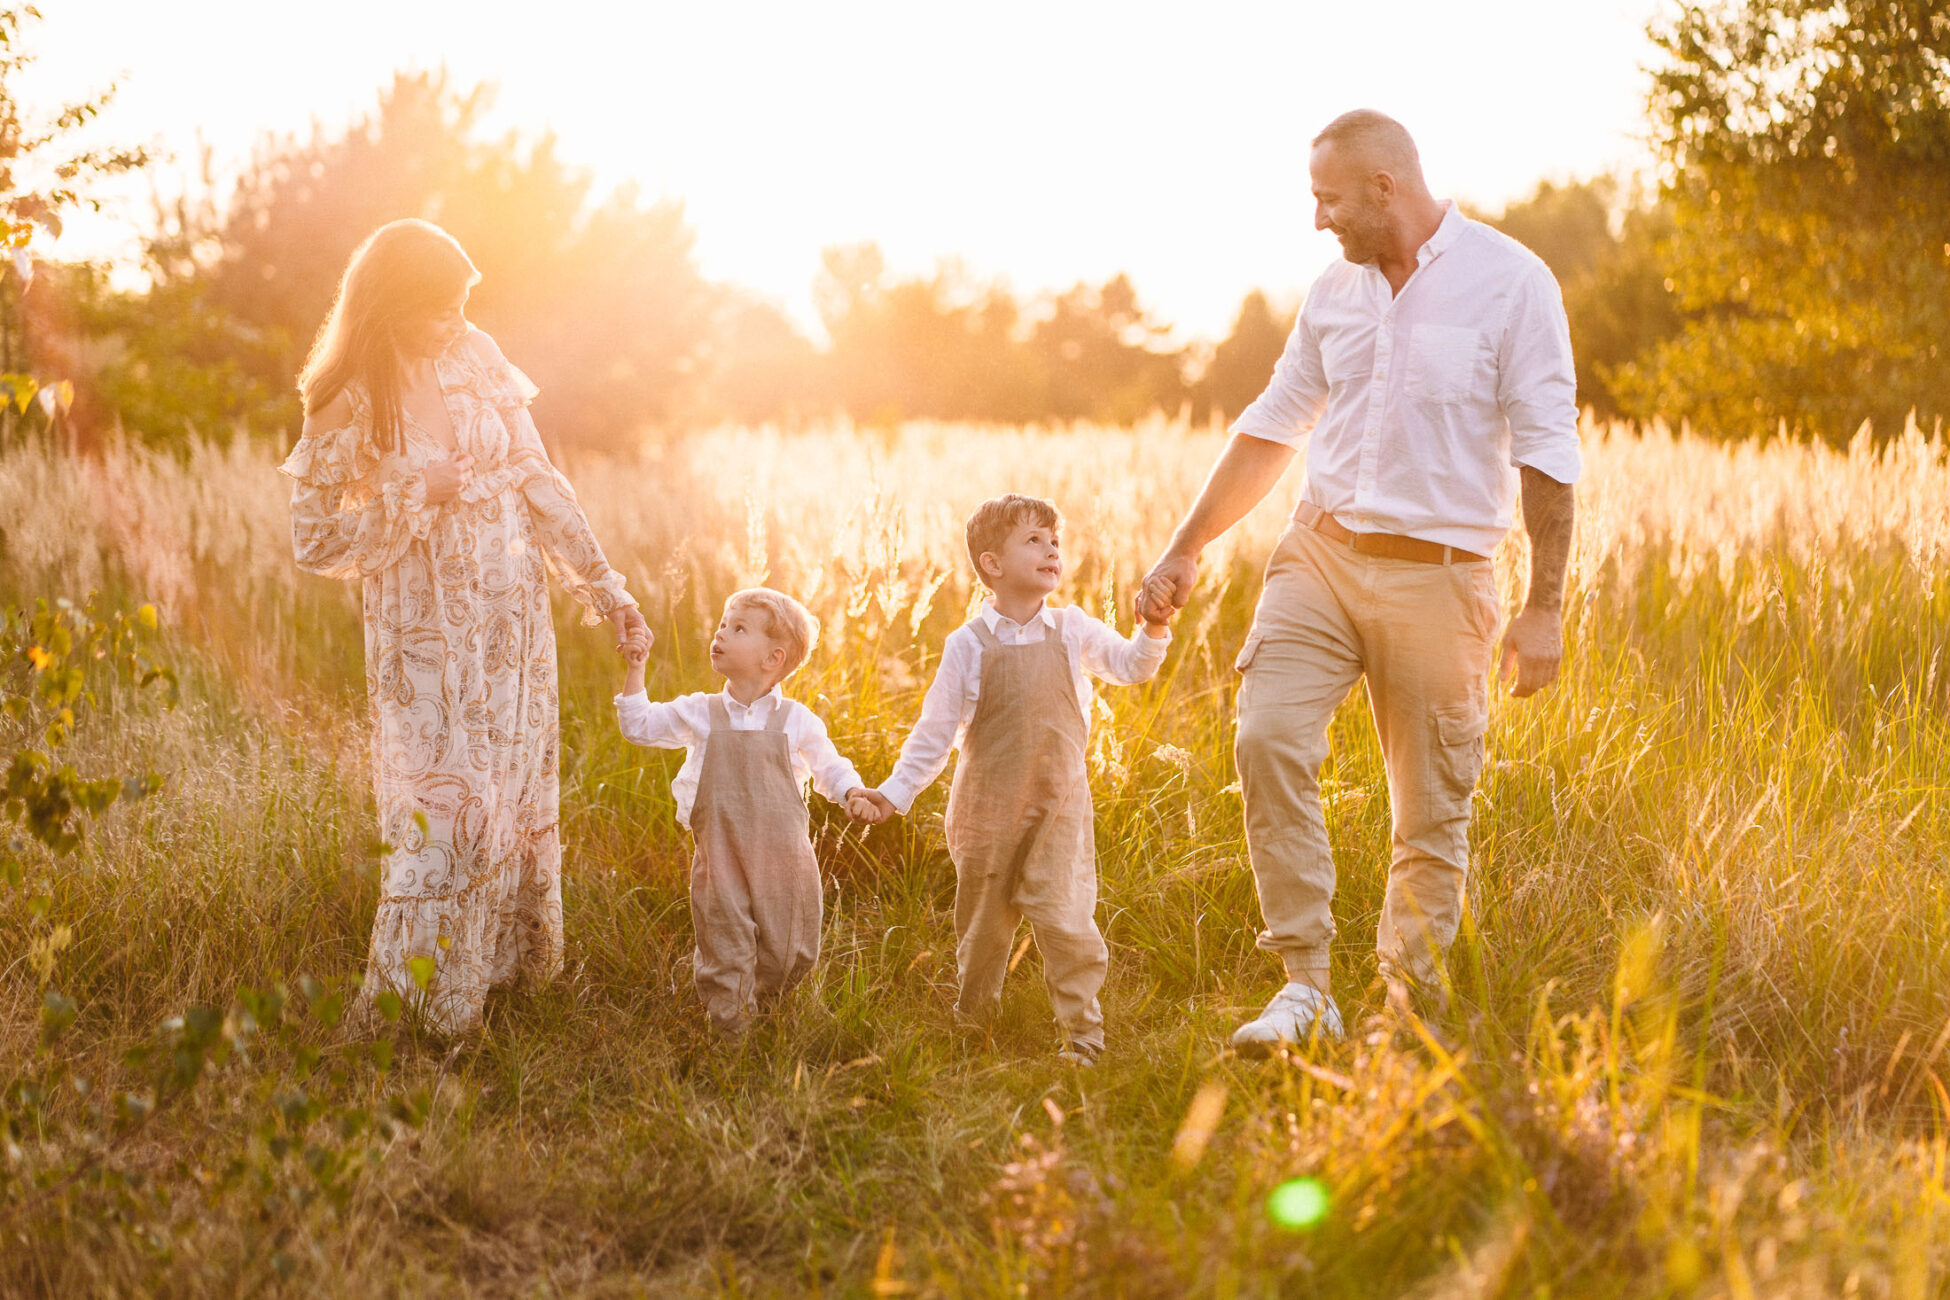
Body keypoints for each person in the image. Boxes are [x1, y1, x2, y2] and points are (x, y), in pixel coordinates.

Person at [1140, 110, 1580, 1052]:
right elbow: (1272, 424)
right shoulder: (1333, 294)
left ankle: (1403, 1014)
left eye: (1327, 199)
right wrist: (1187, 546)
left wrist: (1544, 606)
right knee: (1264, 735)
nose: (1317, 221)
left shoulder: (1512, 284)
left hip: (1444, 577)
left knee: (1429, 810)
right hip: (1321, 557)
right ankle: (1305, 986)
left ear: (1385, 186)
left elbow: (1547, 451)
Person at [283, 218, 652, 1035]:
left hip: (510, 619)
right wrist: (416, 487)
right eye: (438, 309)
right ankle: (420, 1007)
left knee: (512, 795)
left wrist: (606, 585)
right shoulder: (341, 394)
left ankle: (504, 980)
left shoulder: (477, 356)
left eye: (461, 306)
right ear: (387, 304)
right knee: (444, 807)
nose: (453, 322)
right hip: (423, 633)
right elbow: (314, 541)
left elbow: (536, 475)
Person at [852, 494, 1172, 1065]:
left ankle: (1083, 1035)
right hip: (986, 813)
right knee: (983, 928)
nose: (1052, 548)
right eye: (1034, 540)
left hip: (1060, 808)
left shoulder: (1072, 629)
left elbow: (1131, 667)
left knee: (1068, 918)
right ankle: (974, 1028)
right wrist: (893, 795)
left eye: (1056, 541)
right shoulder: (967, 645)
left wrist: (1153, 625)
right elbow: (934, 734)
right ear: (992, 565)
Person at [615, 588, 873, 1034]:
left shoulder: (796, 720)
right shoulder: (701, 712)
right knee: (725, 943)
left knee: (791, 948)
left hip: (784, 858)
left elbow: (830, 766)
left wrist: (852, 792)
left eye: (738, 629)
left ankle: (771, 1009)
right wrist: (636, 670)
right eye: (722, 624)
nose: (720, 634)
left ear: (773, 658)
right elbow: (640, 726)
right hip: (720, 854)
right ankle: (730, 1033)